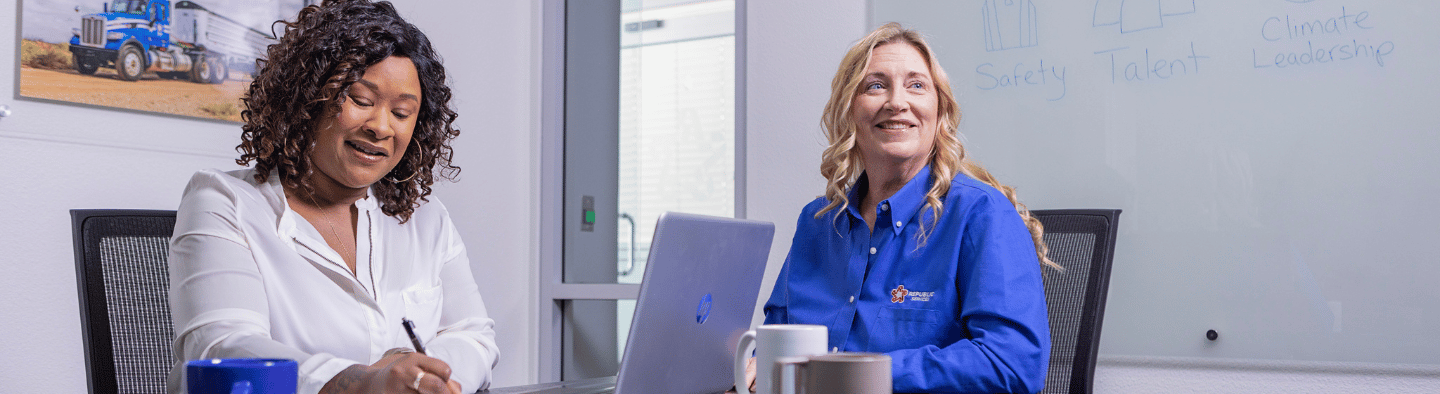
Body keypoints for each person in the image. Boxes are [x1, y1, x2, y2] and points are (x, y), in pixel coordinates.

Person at [165, 1, 498, 393]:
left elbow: (472, 334)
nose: (380, 127)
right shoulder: (223, 202)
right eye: (360, 99)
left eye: (402, 112)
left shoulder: (425, 218)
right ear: (307, 98)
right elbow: (222, 347)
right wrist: (363, 382)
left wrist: (425, 379)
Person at [760, 23, 1057, 393]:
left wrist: (858, 377)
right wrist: (753, 366)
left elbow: (1011, 364)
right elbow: (774, 339)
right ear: (849, 109)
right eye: (876, 85)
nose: (897, 102)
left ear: (939, 110)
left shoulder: (982, 214)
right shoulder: (817, 221)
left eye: (916, 85)